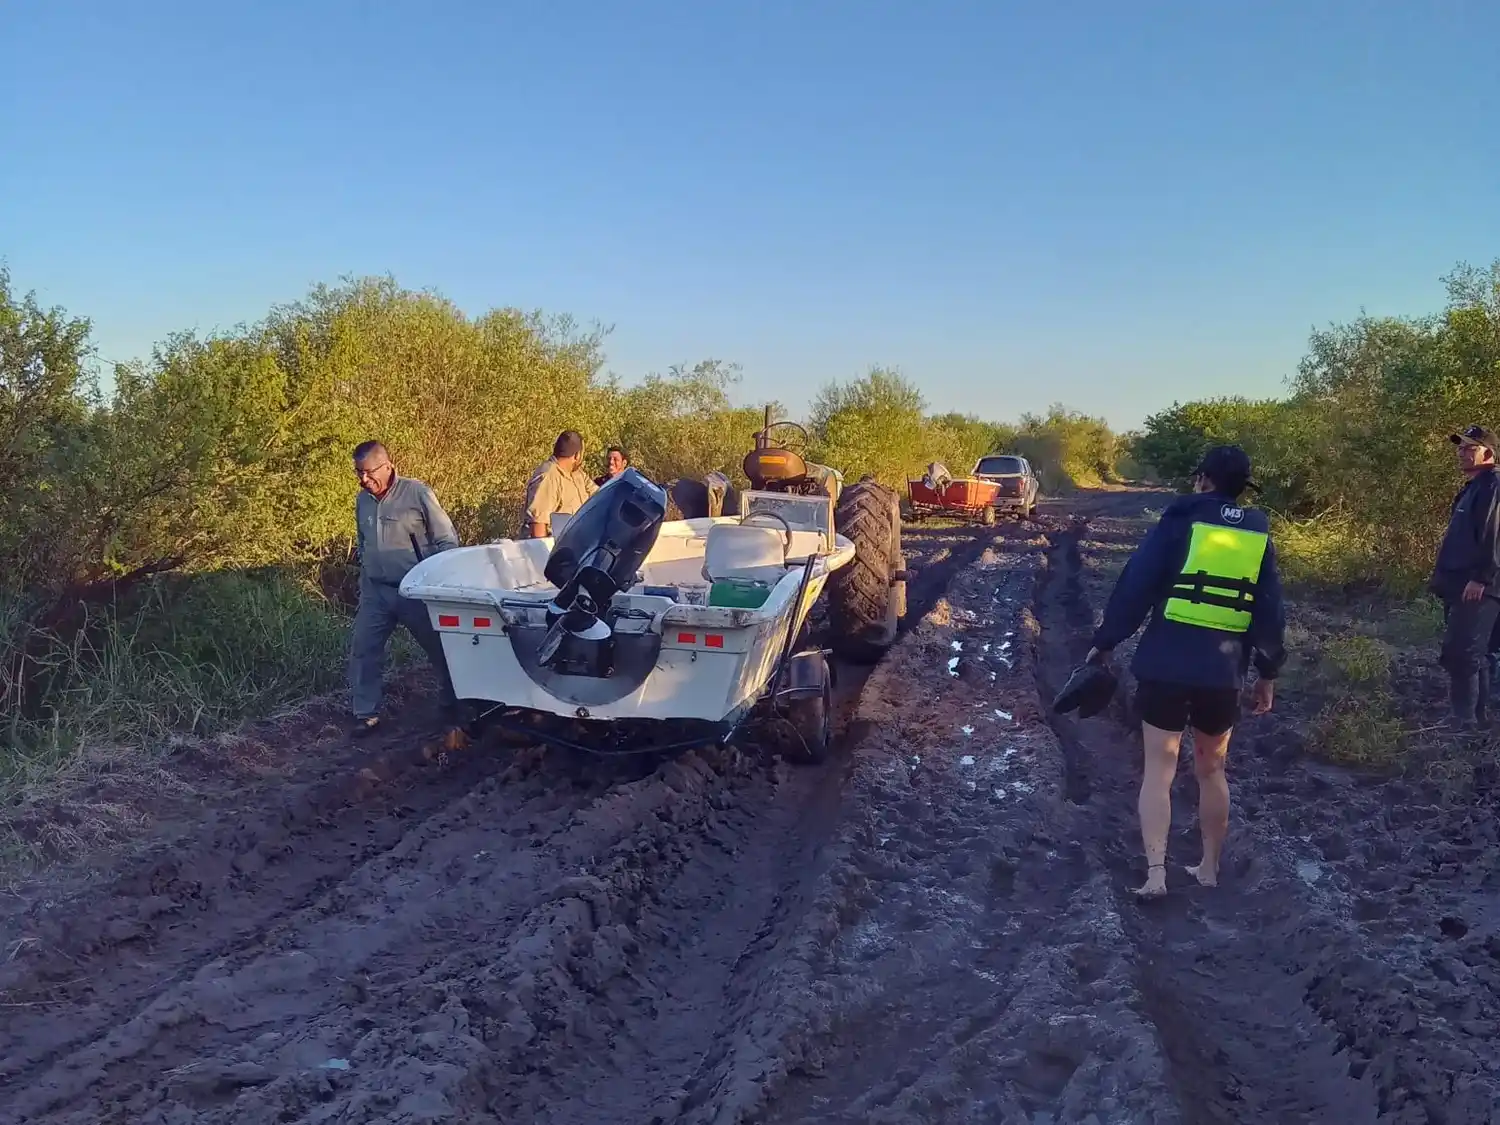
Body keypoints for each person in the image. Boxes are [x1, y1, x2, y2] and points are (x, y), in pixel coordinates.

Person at [1086, 445, 1286, 898]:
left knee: (1159, 769)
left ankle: (1156, 875)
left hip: (1167, 666)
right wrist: (1267, 673)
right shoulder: (1258, 535)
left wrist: (1104, 642)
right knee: (1212, 770)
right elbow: (1270, 610)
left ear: (1203, 481)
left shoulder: (1178, 522)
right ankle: (1209, 868)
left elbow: (1136, 584)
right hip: (1224, 671)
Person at [348, 441, 462, 737]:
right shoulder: (363, 500)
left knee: (440, 648)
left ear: (387, 466)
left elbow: (447, 541)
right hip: (376, 592)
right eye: (358, 473)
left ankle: (456, 702)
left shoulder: (417, 493)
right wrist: (367, 572)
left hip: (415, 590)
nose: (363, 480)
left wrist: (437, 581)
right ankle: (366, 713)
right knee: (364, 649)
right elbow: (362, 540)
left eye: (368, 472)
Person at [1427, 424, 1500, 732]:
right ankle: (1477, 719)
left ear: (1489, 453)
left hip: (1479, 587)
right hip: (1459, 585)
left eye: (1470, 448)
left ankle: (1464, 722)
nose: (1462, 453)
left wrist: (1481, 578)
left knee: (1463, 652)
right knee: (1471, 652)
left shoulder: (1493, 485)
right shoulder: (1473, 487)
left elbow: (1493, 535)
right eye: (1460, 448)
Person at [523, 430, 598, 537]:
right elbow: (538, 523)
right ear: (577, 455)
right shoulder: (548, 476)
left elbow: (600, 494)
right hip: (555, 548)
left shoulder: (578, 475)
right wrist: (545, 552)